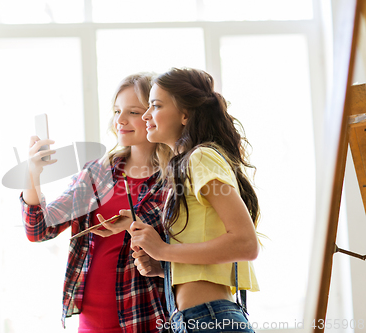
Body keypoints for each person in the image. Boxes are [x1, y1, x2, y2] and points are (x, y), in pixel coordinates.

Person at [20, 73, 172, 332]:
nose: (120, 120)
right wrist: (32, 175)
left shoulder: (173, 180)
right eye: (116, 111)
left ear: (152, 116)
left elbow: (187, 254)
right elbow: (39, 229)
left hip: (147, 319)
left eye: (132, 112)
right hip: (91, 323)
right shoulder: (96, 173)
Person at [128, 67, 260, 333]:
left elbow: (246, 244)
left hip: (208, 319)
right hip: (198, 318)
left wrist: (163, 251)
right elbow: (211, 258)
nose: (145, 115)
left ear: (185, 114)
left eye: (155, 105)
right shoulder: (190, 163)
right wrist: (165, 266)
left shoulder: (200, 158)